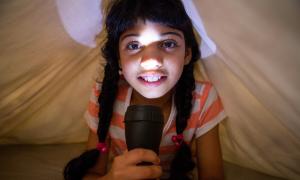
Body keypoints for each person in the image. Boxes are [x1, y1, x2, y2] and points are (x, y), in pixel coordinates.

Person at [64, 0, 226, 179]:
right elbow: (93, 173)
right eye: (134, 46)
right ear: (118, 59)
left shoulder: (203, 99)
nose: (151, 60)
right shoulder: (103, 96)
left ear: (187, 54)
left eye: (168, 43)